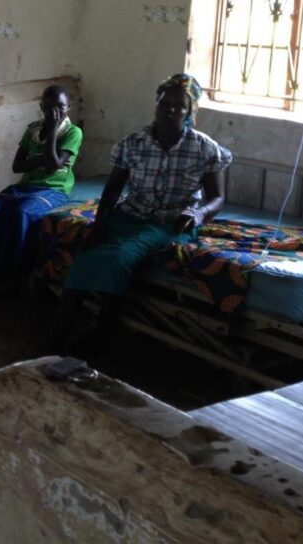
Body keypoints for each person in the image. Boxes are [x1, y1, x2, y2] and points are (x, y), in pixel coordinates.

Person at [50, 73, 231, 352]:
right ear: (156, 103)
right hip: (129, 215)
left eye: (179, 105)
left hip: (170, 222)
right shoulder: (133, 143)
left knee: (118, 258)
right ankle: (57, 339)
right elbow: (112, 189)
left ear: (190, 112)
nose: (170, 109)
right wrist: (100, 223)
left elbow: (217, 198)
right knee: (86, 254)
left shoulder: (205, 148)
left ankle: (101, 337)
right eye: (164, 102)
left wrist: (199, 214)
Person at [0, 84, 83, 296]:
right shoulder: (33, 129)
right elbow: (17, 166)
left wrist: (53, 132)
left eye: (61, 107)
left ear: (69, 107)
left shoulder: (73, 132)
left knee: (23, 214)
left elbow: (52, 166)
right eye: (49, 107)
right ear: (42, 107)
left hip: (53, 190)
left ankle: (14, 276)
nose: (55, 112)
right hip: (25, 186)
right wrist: (44, 158)